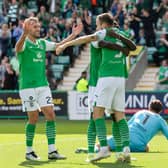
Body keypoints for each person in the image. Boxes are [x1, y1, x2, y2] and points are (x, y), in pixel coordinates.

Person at [56, 13, 136, 162]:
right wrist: (120, 46)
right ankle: (124, 150)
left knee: (96, 115)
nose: (96, 27)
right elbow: (129, 48)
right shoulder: (122, 34)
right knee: (118, 116)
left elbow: (86, 39)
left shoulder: (103, 34)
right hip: (120, 78)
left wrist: (65, 44)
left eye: (98, 24)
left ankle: (100, 150)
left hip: (102, 80)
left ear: (104, 25)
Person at [15, 16, 83, 161]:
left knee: (51, 115)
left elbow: (59, 44)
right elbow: (17, 48)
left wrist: (73, 35)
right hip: (27, 86)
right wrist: (23, 34)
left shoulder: (42, 43)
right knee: (33, 118)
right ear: (27, 28)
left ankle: (52, 150)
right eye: (35, 27)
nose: (38, 29)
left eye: (39, 26)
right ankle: (29, 151)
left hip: (43, 85)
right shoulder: (25, 43)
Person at [76, 99, 168, 153]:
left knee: (101, 145)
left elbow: (126, 126)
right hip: (138, 145)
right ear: (160, 111)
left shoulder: (141, 112)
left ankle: (88, 150)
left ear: (149, 107)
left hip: (125, 138)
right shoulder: (160, 120)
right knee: (146, 147)